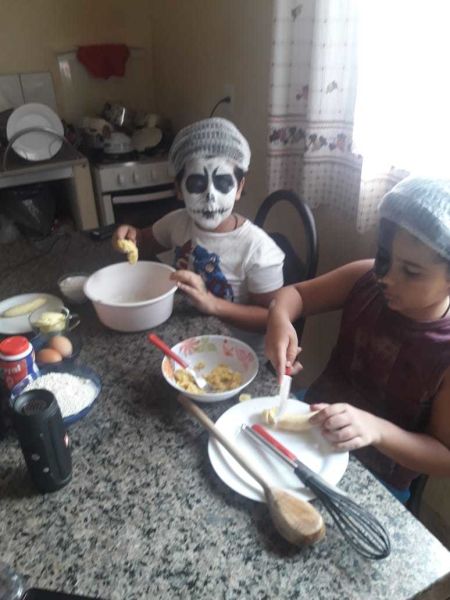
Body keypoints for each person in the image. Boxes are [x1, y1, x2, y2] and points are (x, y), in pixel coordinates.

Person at [265, 177, 450, 502]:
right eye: (384, 256)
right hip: (312, 427)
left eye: (411, 272)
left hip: (378, 478)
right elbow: (294, 296)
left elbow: (444, 456)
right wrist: (279, 319)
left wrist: (375, 430)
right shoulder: (365, 279)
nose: (387, 277)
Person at [113, 117, 284, 351]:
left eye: (223, 183)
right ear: (178, 189)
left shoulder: (258, 250)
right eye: (197, 183)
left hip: (236, 355)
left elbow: (270, 317)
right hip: (185, 339)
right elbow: (142, 242)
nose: (210, 196)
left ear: (239, 188)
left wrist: (213, 305)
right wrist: (128, 236)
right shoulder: (178, 223)